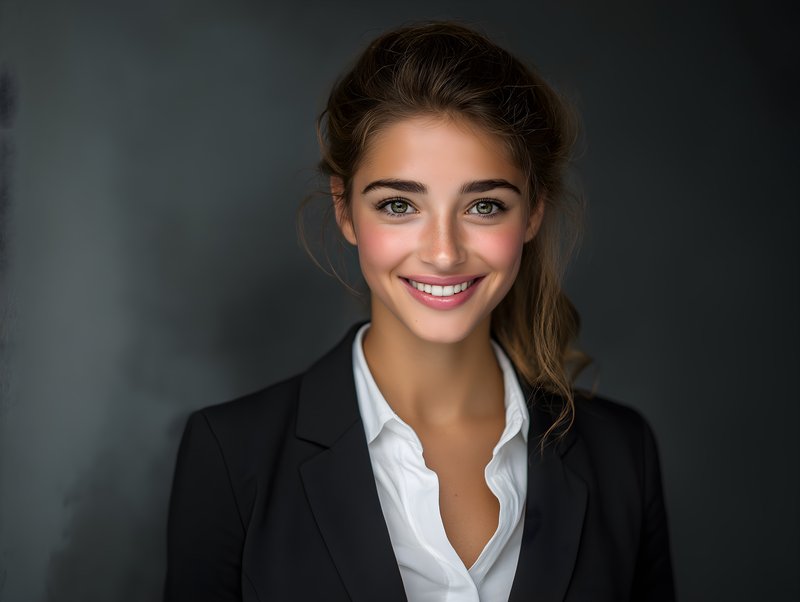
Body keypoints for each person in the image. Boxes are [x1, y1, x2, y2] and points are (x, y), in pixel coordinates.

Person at [164, 21, 675, 602]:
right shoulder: (232, 456)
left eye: (484, 205)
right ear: (346, 212)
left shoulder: (620, 455)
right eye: (399, 204)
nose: (443, 252)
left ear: (532, 212)